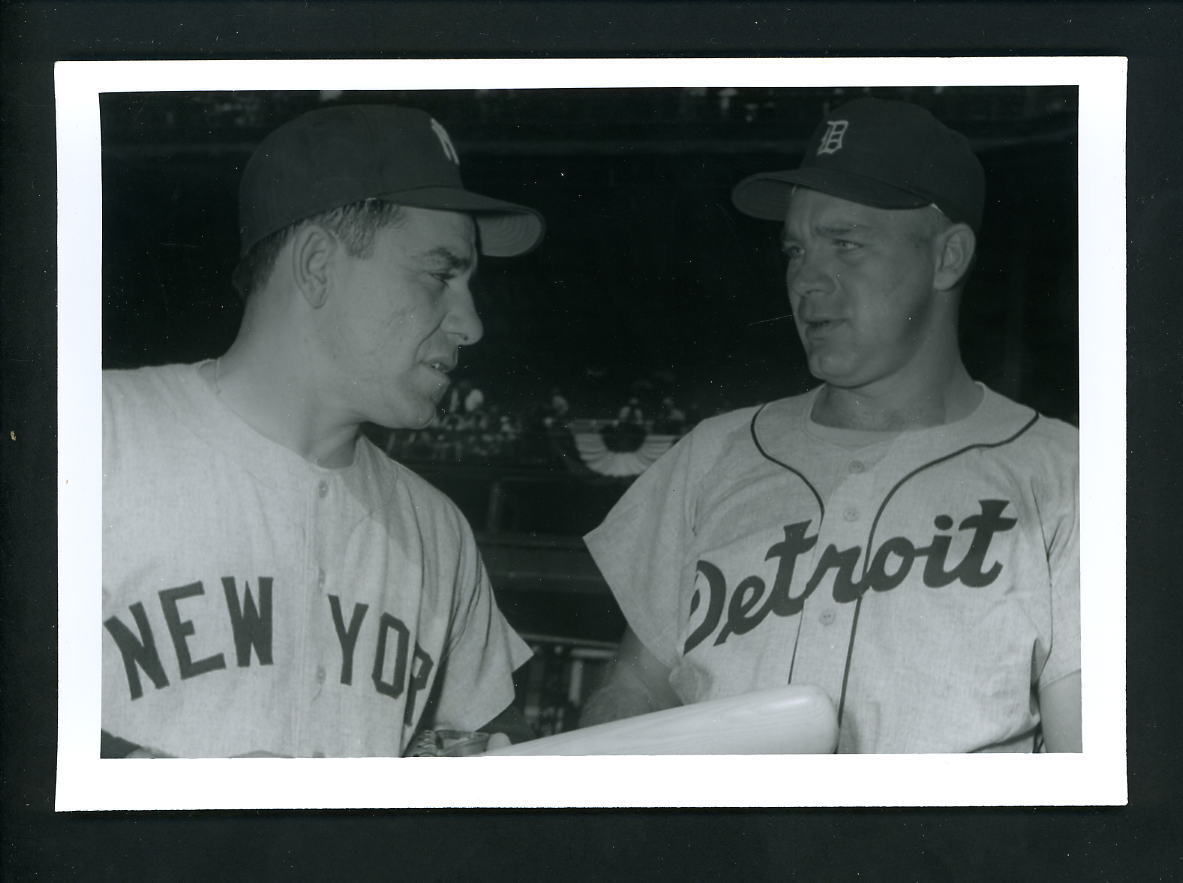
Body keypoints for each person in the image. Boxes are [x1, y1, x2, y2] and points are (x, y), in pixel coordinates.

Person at [580, 97, 1081, 753]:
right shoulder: (712, 454)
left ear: (946, 258)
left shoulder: (1068, 475)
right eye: (794, 249)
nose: (806, 279)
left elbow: (1091, 764)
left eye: (844, 244)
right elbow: (633, 689)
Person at [101, 104, 544, 757]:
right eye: (441, 273)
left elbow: (494, 736)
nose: (470, 324)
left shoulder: (437, 528)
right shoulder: (97, 432)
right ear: (316, 264)